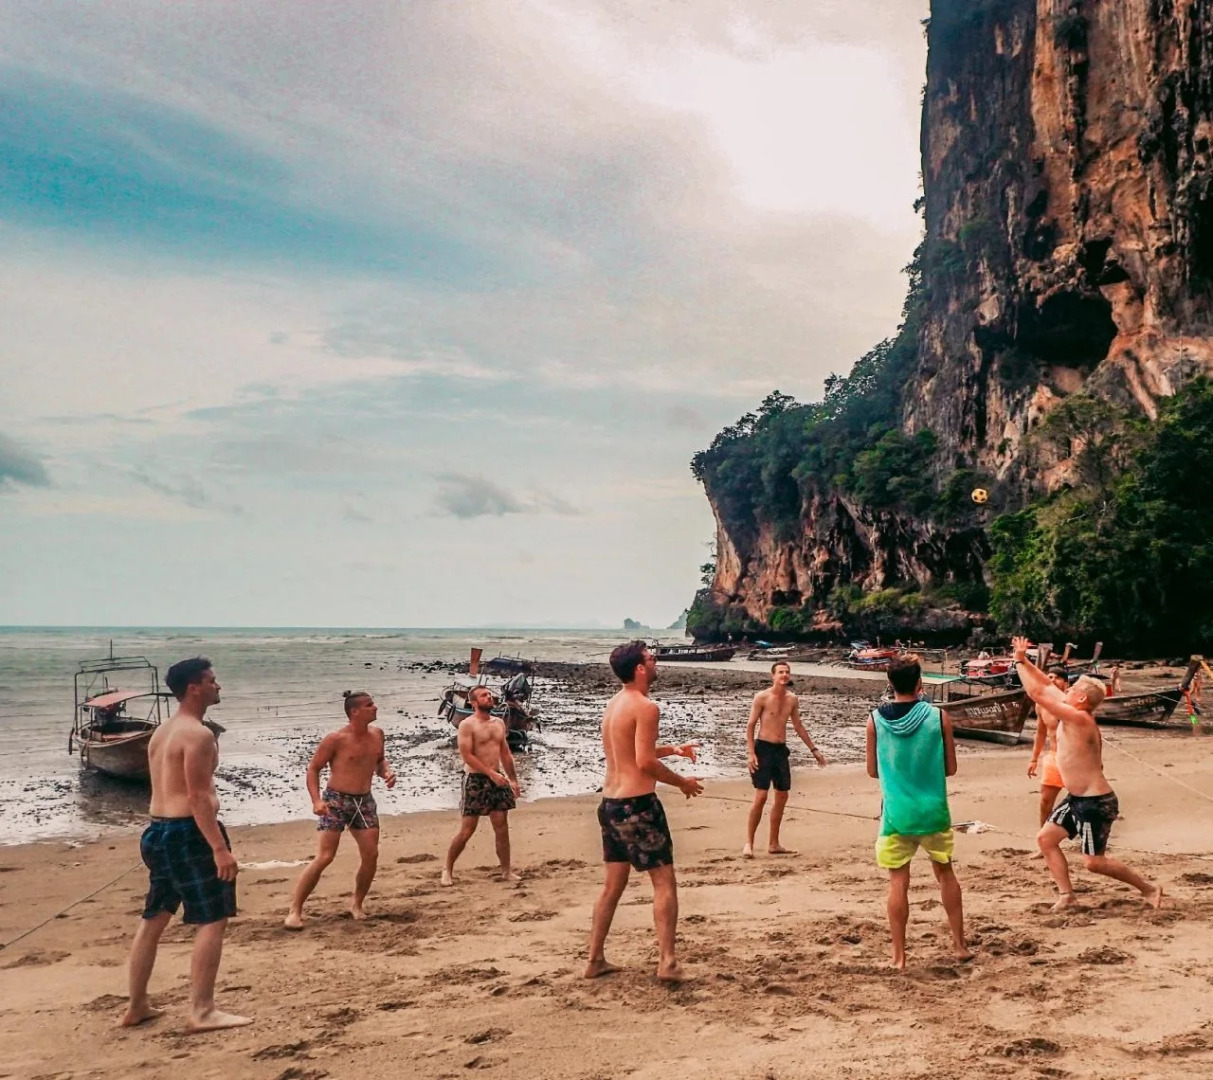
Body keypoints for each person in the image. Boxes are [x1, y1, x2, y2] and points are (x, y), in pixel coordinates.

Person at [121, 657, 251, 1033]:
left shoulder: (163, 730)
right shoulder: (198, 734)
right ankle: (202, 1010)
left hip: (157, 829)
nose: (218, 686)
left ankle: (137, 1005)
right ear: (194, 688)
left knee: (155, 916)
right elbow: (197, 797)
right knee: (213, 918)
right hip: (188, 832)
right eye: (212, 680)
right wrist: (219, 848)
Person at [1010, 637, 1163, 912]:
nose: (1065, 690)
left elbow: (1037, 694)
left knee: (1094, 863)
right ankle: (1067, 895)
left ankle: (1149, 889)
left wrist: (1019, 662)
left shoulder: (1079, 718)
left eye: (1072, 689)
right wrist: (1024, 658)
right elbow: (1045, 684)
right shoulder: (1074, 709)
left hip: (1095, 802)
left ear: (1080, 698)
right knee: (1046, 839)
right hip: (1077, 798)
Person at [584, 641, 702, 983]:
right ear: (639, 668)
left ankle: (595, 959)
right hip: (637, 807)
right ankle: (667, 962)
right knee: (664, 882)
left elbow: (630, 750)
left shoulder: (614, 704)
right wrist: (682, 783)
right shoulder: (646, 706)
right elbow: (644, 762)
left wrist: (674, 749)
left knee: (612, 886)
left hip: (610, 806)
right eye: (651, 658)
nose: (655, 662)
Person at [866, 654, 971, 970]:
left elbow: (872, 771)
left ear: (890, 684)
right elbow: (950, 768)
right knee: (945, 872)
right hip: (933, 811)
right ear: (919, 683)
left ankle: (899, 957)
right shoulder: (939, 717)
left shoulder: (875, 719)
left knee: (898, 882)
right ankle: (959, 945)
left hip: (897, 815)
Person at [284, 691, 397, 929]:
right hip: (336, 800)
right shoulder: (336, 739)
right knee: (325, 856)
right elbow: (313, 769)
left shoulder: (377, 734)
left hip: (364, 801)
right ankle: (295, 910)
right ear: (355, 711)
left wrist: (386, 772)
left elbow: (378, 761)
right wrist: (316, 800)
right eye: (369, 705)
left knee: (371, 855)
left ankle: (357, 904)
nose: (375, 707)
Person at [743, 661, 826, 857]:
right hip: (763, 749)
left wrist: (814, 749)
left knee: (781, 796)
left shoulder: (792, 699)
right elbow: (750, 725)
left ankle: (773, 843)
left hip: (780, 751)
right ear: (773, 676)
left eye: (787, 672)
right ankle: (749, 843)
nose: (784, 675)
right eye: (780, 672)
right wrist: (750, 753)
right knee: (761, 797)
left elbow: (798, 726)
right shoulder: (762, 697)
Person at [441, 686, 521, 886]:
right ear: (474, 703)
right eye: (484, 696)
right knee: (467, 829)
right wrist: (491, 773)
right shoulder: (467, 725)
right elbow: (467, 755)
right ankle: (447, 869)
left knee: (501, 827)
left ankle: (506, 871)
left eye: (489, 695)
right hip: (476, 779)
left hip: (497, 779)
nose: (489, 697)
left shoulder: (499, 723)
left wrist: (513, 779)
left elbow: (505, 753)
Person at [1027, 670, 1071, 828]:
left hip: (1074, 759)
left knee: (1083, 801)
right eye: (1050, 677)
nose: (1053, 680)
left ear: (1066, 683)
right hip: (1054, 757)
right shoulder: (1041, 704)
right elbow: (1040, 732)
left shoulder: (1071, 704)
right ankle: (1043, 841)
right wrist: (1034, 759)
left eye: (1058, 678)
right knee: (1045, 801)